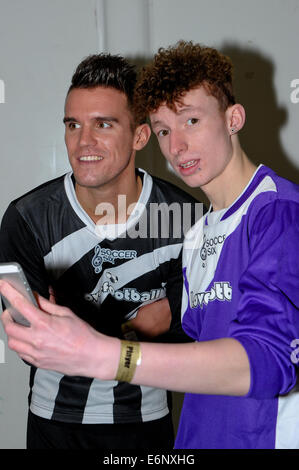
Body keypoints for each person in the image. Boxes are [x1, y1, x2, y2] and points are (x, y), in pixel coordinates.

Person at [1, 40, 299, 449]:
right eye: (164, 130)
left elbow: (267, 360)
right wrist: (130, 327)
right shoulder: (200, 233)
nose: (176, 146)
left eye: (191, 121)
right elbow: (197, 350)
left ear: (234, 118)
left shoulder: (276, 213)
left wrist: (106, 352)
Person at [0, 52, 202, 449]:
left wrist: (76, 324)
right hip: (54, 424)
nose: (83, 142)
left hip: (145, 420)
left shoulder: (186, 217)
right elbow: (30, 346)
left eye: (103, 124)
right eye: (73, 124)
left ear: (140, 136)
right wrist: (139, 325)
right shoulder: (26, 218)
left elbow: (197, 334)